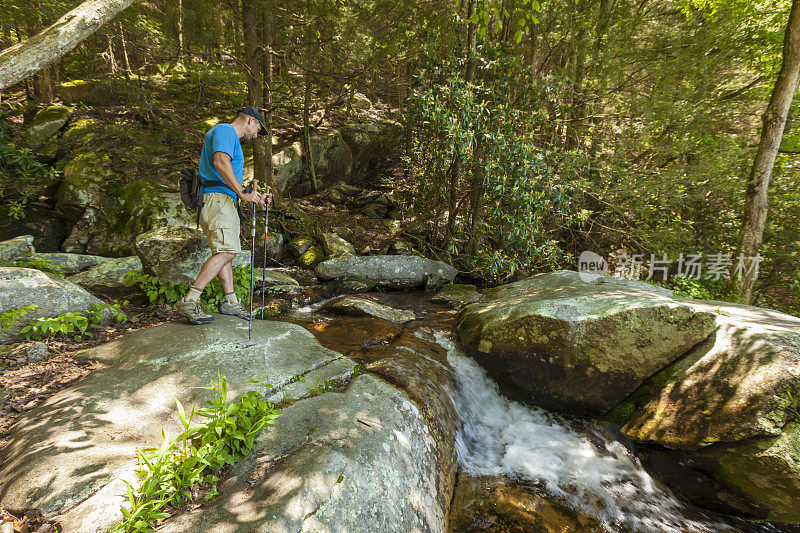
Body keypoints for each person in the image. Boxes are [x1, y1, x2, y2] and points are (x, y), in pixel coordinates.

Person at [174, 106, 272, 324]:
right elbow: (221, 163)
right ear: (249, 121)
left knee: (224, 251)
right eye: (258, 128)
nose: (256, 134)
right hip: (218, 201)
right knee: (228, 251)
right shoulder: (226, 131)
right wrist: (241, 193)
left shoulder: (228, 137)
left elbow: (223, 174)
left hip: (218, 200)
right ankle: (190, 299)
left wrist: (252, 196)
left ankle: (230, 301)